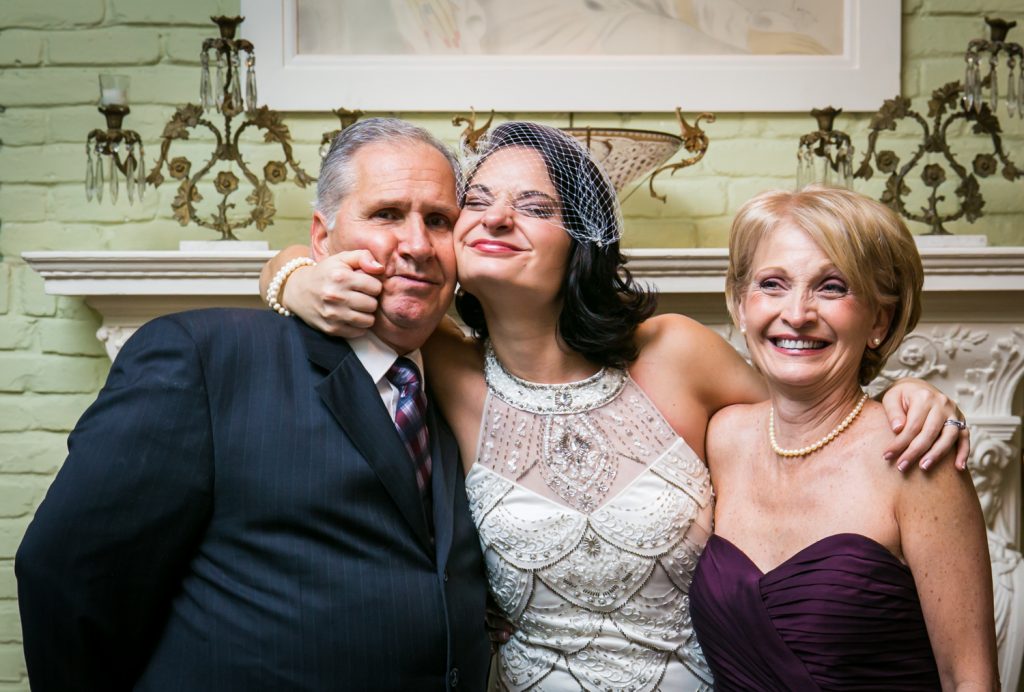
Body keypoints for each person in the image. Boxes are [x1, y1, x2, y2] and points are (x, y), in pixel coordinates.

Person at [262, 122, 968, 690]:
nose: (497, 218)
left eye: (536, 207)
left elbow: (817, 424)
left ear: (582, 246)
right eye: (475, 202)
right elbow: (302, 251)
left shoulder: (674, 354)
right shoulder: (446, 369)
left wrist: (904, 397)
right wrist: (295, 280)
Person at [15, 118, 491, 691]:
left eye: (438, 220)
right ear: (322, 238)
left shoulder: (460, 385)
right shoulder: (204, 358)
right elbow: (66, 575)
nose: (417, 244)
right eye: (387, 214)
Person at [689, 186, 997, 689]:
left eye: (832, 287)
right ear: (740, 305)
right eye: (773, 283)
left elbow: (971, 679)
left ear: (879, 318)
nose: (797, 312)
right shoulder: (720, 437)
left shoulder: (917, 455)